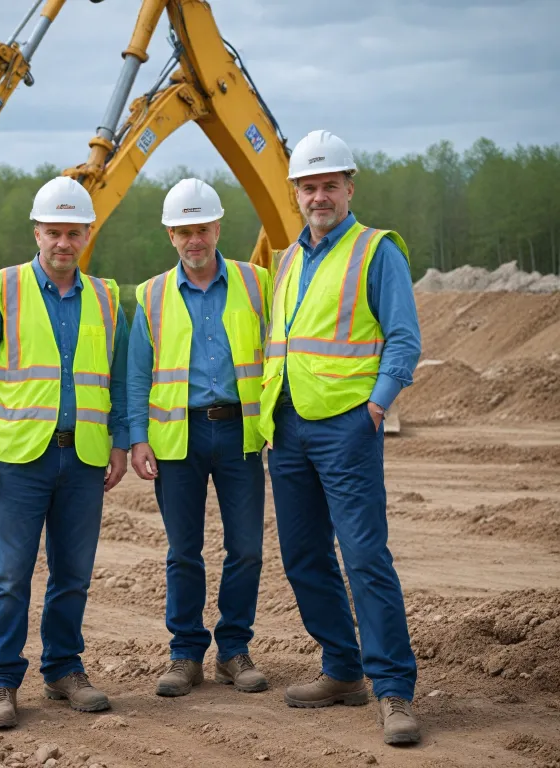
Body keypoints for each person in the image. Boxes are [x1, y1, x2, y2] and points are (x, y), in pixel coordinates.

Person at [259, 130, 422, 745]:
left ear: (349, 188)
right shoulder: (290, 258)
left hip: (348, 428)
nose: (318, 196)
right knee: (303, 558)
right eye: (309, 186)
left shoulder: (377, 251)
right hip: (289, 425)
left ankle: (395, 691)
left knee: (364, 557)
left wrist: (376, 408)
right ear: (296, 193)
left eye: (329, 185)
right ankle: (342, 668)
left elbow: (403, 338)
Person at [0, 176, 129, 728]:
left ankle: (63, 669)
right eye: (53, 232)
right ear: (37, 232)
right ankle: (2, 682)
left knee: (73, 573)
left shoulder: (105, 296)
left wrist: (120, 441)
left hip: (84, 458)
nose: (63, 243)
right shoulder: (3, 288)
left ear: (86, 234)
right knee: (11, 574)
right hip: (19, 458)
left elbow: (118, 379)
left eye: (73, 233)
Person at [127, 178, 271, 697]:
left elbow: (277, 355)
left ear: (218, 227)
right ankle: (185, 653)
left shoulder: (257, 284)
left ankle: (234, 650)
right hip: (177, 439)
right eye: (185, 230)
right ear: (171, 234)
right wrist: (137, 437)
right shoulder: (151, 295)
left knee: (247, 549)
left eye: (203, 228)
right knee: (183, 552)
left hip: (239, 433)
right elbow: (137, 376)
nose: (195, 239)